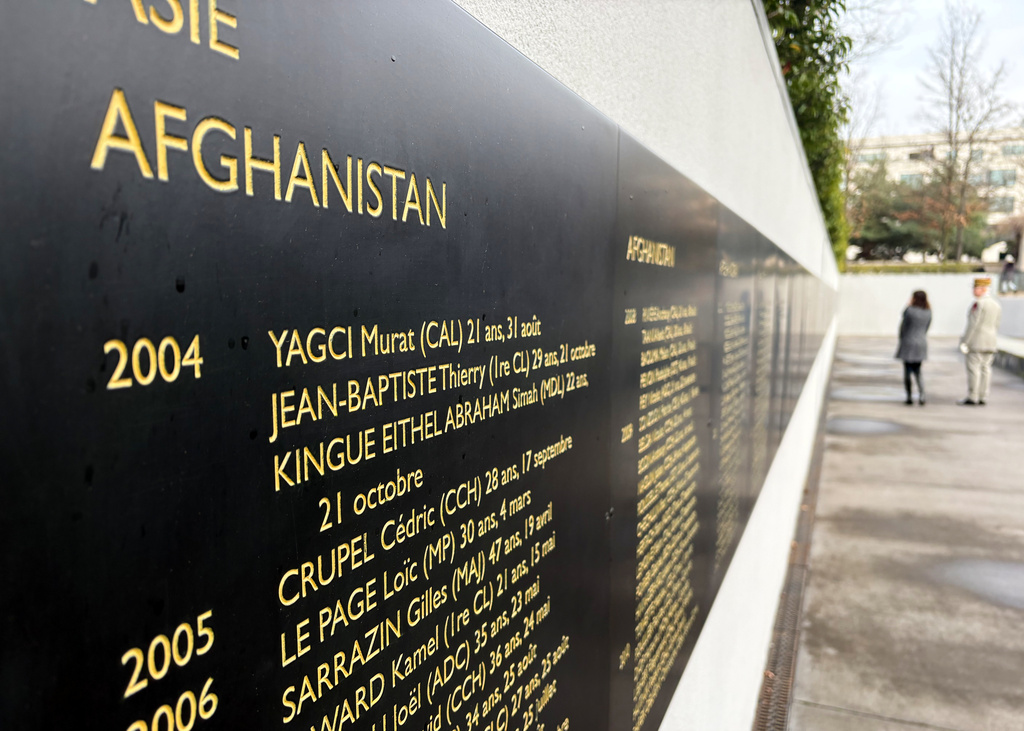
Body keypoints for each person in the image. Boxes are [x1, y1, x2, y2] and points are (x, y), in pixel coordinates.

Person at [958, 277, 1002, 405]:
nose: (973, 290)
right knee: (986, 369)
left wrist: (965, 341)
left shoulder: (978, 304)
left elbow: (973, 324)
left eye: (975, 288)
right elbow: (997, 324)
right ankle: (983, 396)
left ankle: (973, 395)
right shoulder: (996, 304)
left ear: (982, 289)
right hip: (991, 341)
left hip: (977, 341)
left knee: (974, 369)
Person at [895, 290, 931, 405]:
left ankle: (909, 396)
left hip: (908, 343)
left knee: (907, 372)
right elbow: (927, 327)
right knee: (918, 371)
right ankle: (922, 395)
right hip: (921, 343)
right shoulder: (928, 312)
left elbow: (903, 326)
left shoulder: (910, 311)